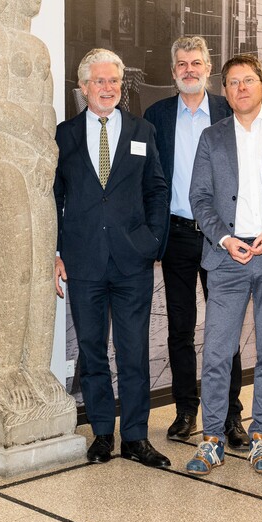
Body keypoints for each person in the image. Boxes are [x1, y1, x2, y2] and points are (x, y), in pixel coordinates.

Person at [0, 0, 75, 436]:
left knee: (38, 272)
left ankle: (35, 365)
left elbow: (48, 109)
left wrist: (45, 146)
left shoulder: (40, 48)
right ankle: (3, 367)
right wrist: (40, 140)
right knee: (12, 269)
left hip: (36, 165)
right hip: (2, 165)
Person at [54, 48, 170, 468]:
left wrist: (151, 240)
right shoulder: (64, 134)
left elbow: (157, 189)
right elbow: (55, 195)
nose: (108, 88)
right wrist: (56, 251)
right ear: (83, 87)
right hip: (83, 260)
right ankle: (103, 433)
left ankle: (136, 437)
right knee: (91, 349)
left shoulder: (141, 131)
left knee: (133, 349)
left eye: (114, 81)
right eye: (99, 81)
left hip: (131, 260)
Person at [144, 36, 248, 448]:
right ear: (173, 73)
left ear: (209, 70)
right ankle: (187, 410)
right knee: (180, 328)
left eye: (197, 63)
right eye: (182, 64)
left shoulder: (226, 111)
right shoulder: (156, 115)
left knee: (225, 328)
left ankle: (230, 417)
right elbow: (150, 179)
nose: (189, 69)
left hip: (221, 237)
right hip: (177, 236)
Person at [187, 53, 262, 475]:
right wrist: (225, 237)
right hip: (228, 257)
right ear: (225, 91)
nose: (241, 88)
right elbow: (198, 198)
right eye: (233, 82)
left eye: (248, 80)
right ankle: (213, 438)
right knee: (217, 353)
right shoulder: (212, 138)